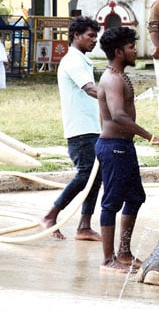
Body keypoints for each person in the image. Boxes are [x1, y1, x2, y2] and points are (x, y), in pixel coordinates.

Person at [97, 27, 159, 272]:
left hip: (123, 146)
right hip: (114, 147)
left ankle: (124, 253)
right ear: (118, 52)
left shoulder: (118, 75)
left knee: (136, 196)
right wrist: (149, 136)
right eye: (130, 47)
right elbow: (117, 116)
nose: (135, 50)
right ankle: (108, 260)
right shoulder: (113, 79)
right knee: (111, 203)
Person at [40, 16, 103, 241]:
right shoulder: (74, 61)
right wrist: (116, 96)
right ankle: (51, 214)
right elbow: (90, 89)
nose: (94, 41)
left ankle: (84, 226)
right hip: (80, 130)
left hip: (90, 127)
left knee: (96, 176)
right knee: (86, 173)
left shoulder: (81, 60)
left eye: (96, 36)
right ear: (76, 35)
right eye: (90, 36)